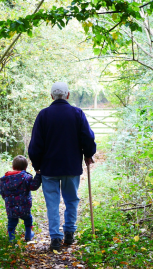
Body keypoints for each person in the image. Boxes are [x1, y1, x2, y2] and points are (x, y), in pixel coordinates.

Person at [28, 82, 96, 251]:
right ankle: (69, 234)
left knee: (52, 203)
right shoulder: (77, 113)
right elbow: (87, 137)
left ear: (52, 96)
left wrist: (37, 166)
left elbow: (35, 145)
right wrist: (88, 153)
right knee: (71, 200)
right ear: (68, 95)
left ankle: (55, 239)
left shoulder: (43, 115)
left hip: (48, 169)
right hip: (71, 167)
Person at [0, 155, 42, 242]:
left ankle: (11, 239)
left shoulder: (5, 179)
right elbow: (33, 186)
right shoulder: (26, 178)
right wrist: (38, 175)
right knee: (28, 219)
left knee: (12, 222)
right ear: (25, 168)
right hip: (24, 206)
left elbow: (1, 191)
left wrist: (7, 200)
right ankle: (28, 235)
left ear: (13, 167)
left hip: (10, 207)